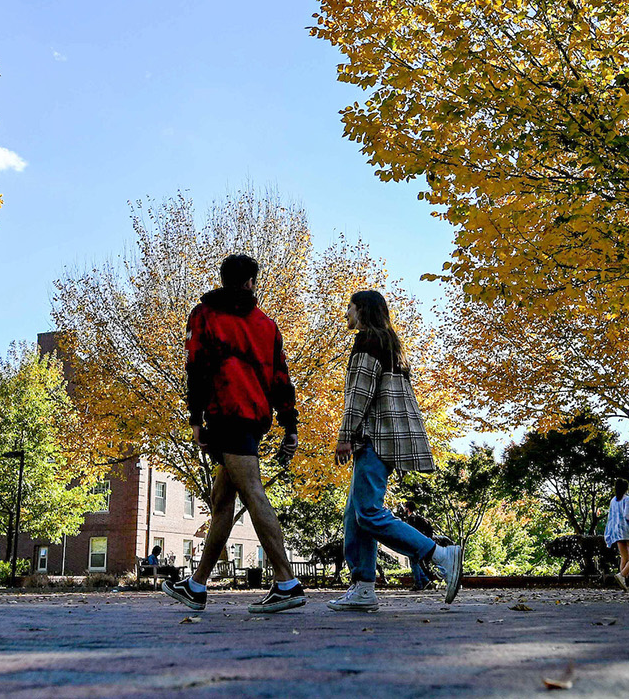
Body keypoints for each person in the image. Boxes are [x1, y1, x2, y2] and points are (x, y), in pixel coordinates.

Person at [162, 254, 307, 614]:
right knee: (222, 500)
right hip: (255, 417)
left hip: (227, 415)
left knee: (253, 492)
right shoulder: (267, 325)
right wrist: (290, 425)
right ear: (250, 283)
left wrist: (195, 419)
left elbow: (195, 367)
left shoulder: (205, 315)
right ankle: (196, 586)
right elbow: (281, 379)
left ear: (224, 279)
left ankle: (287, 582)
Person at [328, 290, 463, 612]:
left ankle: (438, 554)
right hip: (387, 438)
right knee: (355, 515)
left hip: (373, 436)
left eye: (349, 307)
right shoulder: (390, 344)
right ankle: (363, 588)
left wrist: (345, 435)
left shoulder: (366, 341)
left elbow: (359, 393)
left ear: (361, 310)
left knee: (368, 513)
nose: (346, 313)